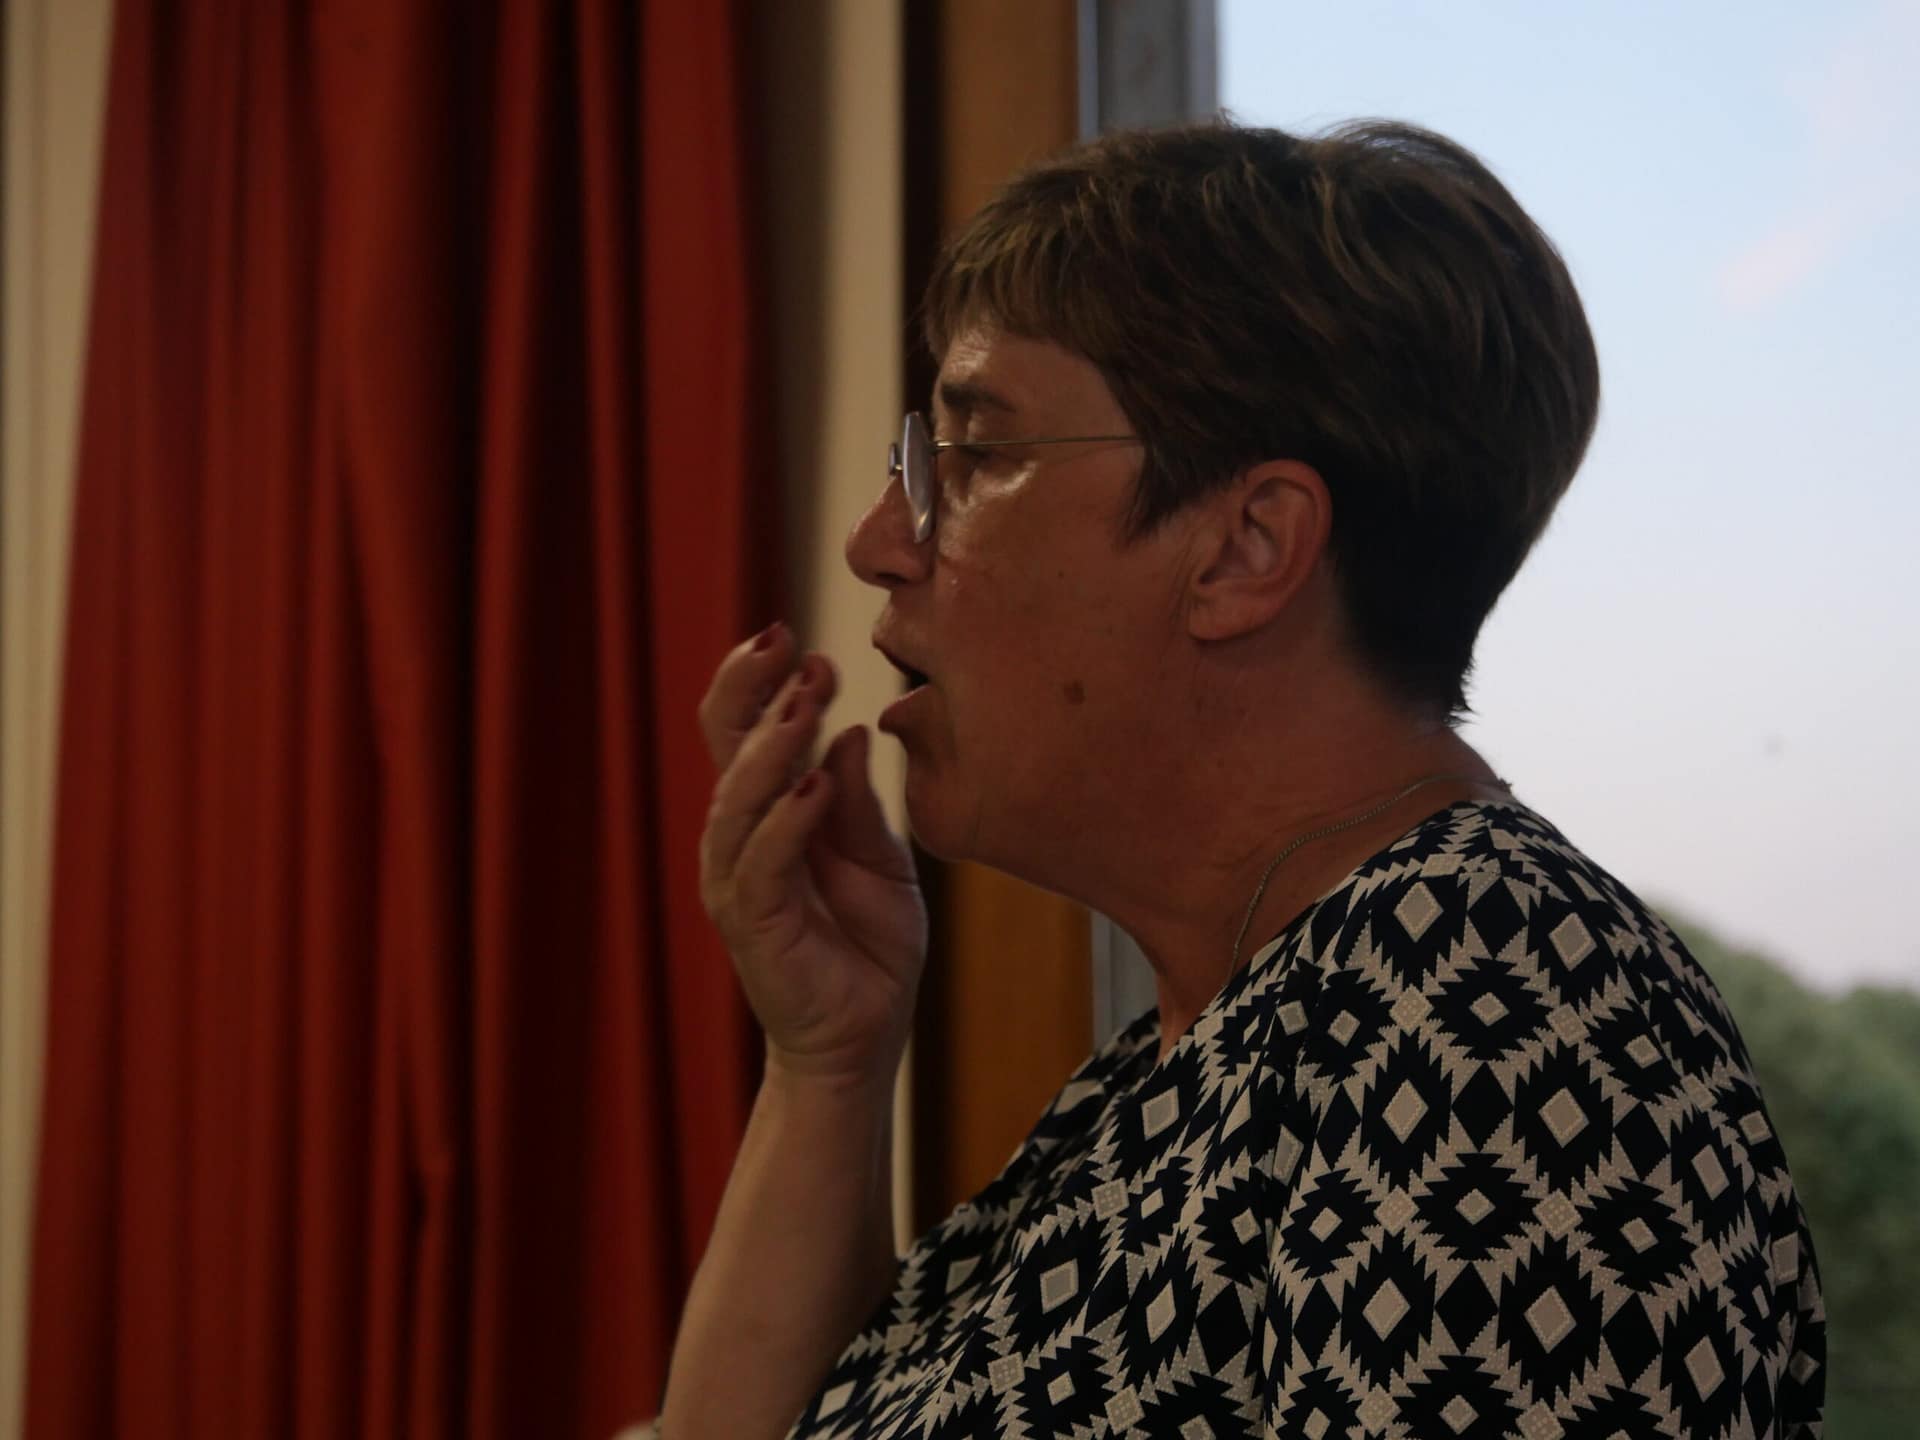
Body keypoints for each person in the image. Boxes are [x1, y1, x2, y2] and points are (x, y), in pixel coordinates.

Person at [659, 120, 1825, 1438]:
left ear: (1246, 548)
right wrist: (826, 1059)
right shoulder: (1176, 1072)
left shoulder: (1492, 1003)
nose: (881, 541)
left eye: (975, 457)